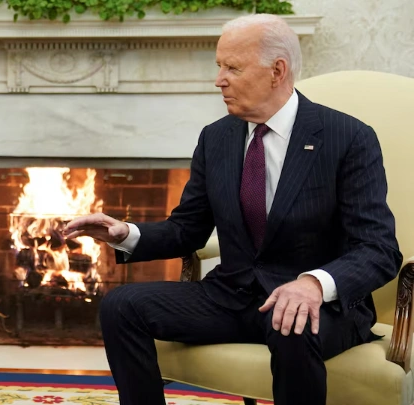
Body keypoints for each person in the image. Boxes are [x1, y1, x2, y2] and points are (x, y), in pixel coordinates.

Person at [64, 14, 401, 405]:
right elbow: (187, 229)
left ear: (277, 71)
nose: (219, 79)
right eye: (219, 67)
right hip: (231, 296)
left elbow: (378, 249)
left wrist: (312, 284)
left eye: (233, 68)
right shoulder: (216, 138)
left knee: (292, 324)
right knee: (122, 307)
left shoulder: (348, 137)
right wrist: (126, 233)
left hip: (319, 306)